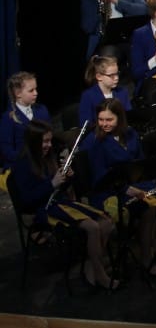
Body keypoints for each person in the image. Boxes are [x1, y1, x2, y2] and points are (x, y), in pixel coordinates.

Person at [10, 120, 120, 290]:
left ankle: (91, 268)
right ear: (33, 142)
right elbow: (27, 200)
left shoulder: (48, 158)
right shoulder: (22, 164)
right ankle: (100, 275)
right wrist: (51, 184)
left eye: (49, 140)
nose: (49, 145)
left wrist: (68, 178)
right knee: (92, 227)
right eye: (45, 141)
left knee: (106, 222)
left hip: (59, 203)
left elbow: (60, 189)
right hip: (42, 210)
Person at [85, 99, 156, 278]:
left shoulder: (130, 133)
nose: (104, 124)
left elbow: (141, 162)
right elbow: (101, 177)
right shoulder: (96, 142)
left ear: (120, 118)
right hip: (111, 190)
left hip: (136, 183)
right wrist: (128, 190)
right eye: (101, 120)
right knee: (148, 208)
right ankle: (146, 258)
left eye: (109, 120)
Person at [1, 71, 52, 170]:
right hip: (21, 167)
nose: (36, 93)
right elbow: (6, 149)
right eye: (31, 90)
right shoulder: (8, 118)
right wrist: (26, 161)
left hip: (43, 164)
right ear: (18, 93)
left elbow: (50, 137)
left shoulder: (42, 110)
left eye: (36, 89)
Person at [78, 55, 132, 127]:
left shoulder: (122, 92)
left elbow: (128, 119)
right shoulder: (88, 96)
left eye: (117, 74)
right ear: (99, 76)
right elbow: (86, 125)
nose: (116, 78)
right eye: (111, 75)